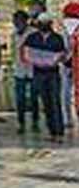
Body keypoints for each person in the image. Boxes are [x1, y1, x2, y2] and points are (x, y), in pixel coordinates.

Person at [23, 11, 67, 140]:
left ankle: (59, 132)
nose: (44, 25)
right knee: (46, 103)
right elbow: (25, 53)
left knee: (55, 101)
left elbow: (62, 55)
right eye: (41, 23)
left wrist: (54, 60)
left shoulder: (57, 38)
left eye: (46, 23)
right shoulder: (32, 38)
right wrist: (36, 60)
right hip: (39, 74)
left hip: (53, 74)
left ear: (50, 24)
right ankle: (52, 131)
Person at [11, 9, 37, 132]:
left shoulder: (34, 33)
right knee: (20, 98)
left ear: (25, 21)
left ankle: (35, 121)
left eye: (19, 21)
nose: (16, 24)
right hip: (19, 70)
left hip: (32, 69)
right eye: (15, 21)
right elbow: (13, 52)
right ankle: (21, 122)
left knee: (34, 98)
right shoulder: (14, 35)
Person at [62, 2, 79, 130]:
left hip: (66, 64)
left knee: (65, 92)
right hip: (74, 63)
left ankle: (67, 119)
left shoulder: (64, 28)